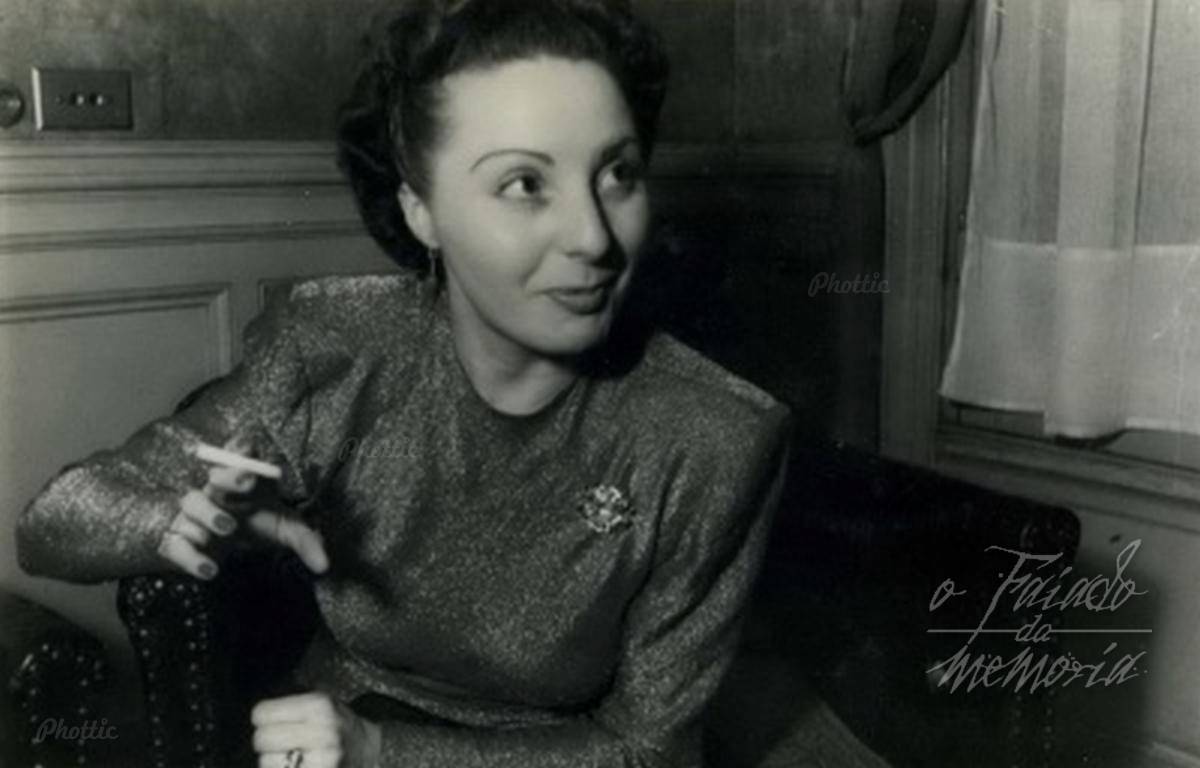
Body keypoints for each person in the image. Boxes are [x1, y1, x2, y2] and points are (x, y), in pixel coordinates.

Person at [17, 0, 792, 765]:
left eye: (618, 173)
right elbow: (48, 524)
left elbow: (649, 752)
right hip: (333, 732)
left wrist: (385, 752)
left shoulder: (713, 439)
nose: (593, 237)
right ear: (420, 209)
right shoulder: (336, 353)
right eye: (525, 183)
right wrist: (168, 522)